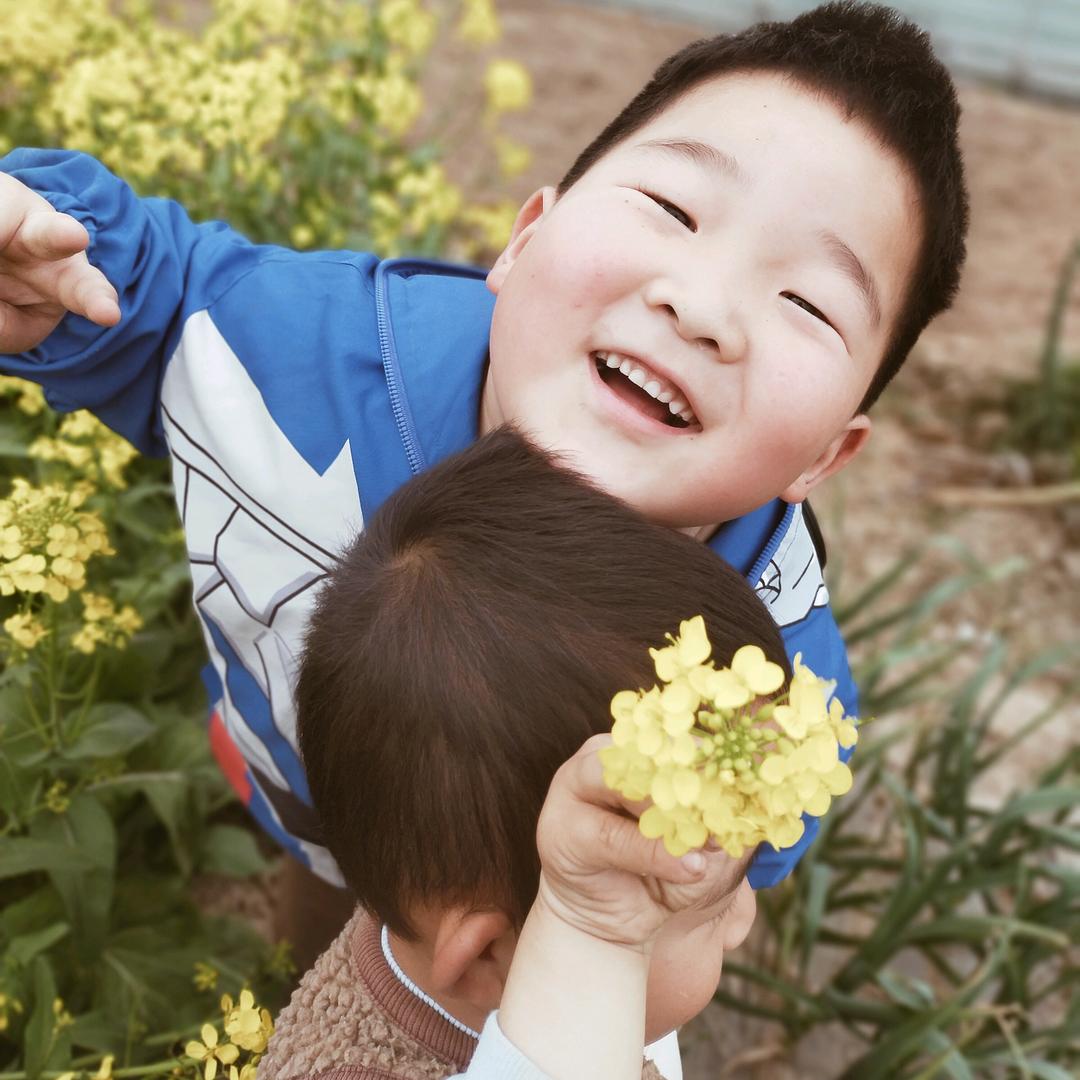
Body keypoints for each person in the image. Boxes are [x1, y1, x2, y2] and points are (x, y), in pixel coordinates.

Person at [0, 0, 968, 960]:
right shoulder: (297, 353)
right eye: (673, 210)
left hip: (539, 944)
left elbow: (714, 887)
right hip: (302, 787)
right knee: (326, 925)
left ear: (826, 456)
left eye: (807, 301)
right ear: (523, 240)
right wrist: (40, 258)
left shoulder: (770, 677)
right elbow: (152, 291)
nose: (704, 306)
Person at [258, 428, 781, 1080]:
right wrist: (595, 934)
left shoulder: (453, 897)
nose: (743, 919)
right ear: (488, 960)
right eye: (707, 913)